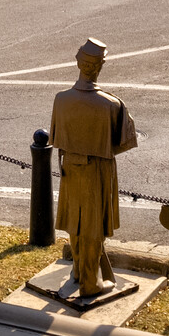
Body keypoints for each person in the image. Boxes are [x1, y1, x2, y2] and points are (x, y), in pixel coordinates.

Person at [49, 38, 138, 297]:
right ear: (100, 66)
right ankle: (91, 283)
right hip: (98, 170)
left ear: (78, 62)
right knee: (92, 226)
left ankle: (79, 270)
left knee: (75, 222)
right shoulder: (111, 104)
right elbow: (124, 142)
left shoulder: (61, 99)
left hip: (69, 168)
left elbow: (55, 139)